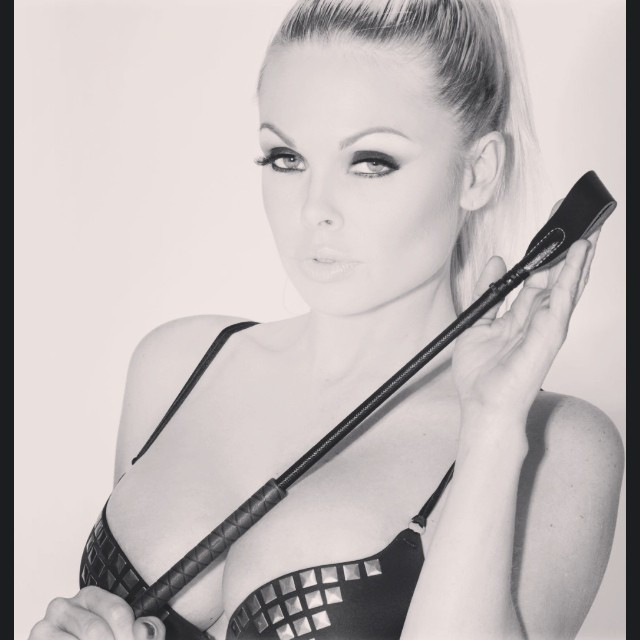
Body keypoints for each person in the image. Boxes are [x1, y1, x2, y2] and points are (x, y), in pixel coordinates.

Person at [28, 0, 624, 638]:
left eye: (370, 162)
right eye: (286, 158)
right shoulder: (174, 367)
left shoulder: (561, 446)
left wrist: (490, 431)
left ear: (477, 173)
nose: (315, 209)